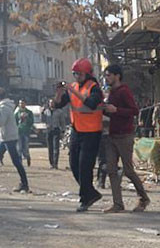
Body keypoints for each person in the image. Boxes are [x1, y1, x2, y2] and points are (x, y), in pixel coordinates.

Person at [55, 58, 104, 212]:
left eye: (80, 74)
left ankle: (85, 198)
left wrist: (73, 91)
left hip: (92, 132)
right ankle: (91, 193)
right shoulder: (74, 87)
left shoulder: (94, 88)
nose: (77, 77)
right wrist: (59, 93)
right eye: (75, 74)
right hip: (77, 130)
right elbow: (58, 104)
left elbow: (91, 103)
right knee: (74, 164)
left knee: (85, 167)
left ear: (87, 74)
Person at [101, 64, 151, 213]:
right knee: (111, 170)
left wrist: (116, 110)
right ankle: (118, 203)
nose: (106, 78)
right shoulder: (111, 92)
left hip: (124, 135)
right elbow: (111, 113)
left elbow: (134, 111)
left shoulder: (124, 91)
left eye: (109, 75)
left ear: (117, 76)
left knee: (128, 170)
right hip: (112, 134)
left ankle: (143, 198)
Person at [43, 96, 69, 169]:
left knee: (56, 147)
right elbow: (43, 119)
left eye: (52, 102)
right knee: (50, 148)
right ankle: (51, 163)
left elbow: (62, 122)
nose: (51, 104)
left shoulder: (59, 112)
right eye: (50, 103)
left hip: (56, 130)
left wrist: (63, 130)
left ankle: (55, 164)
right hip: (49, 130)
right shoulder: (46, 111)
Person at [15, 100, 34, 167]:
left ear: (25, 104)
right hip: (19, 132)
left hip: (26, 132)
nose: (21, 104)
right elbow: (14, 122)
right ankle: (20, 162)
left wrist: (27, 117)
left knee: (26, 147)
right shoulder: (17, 112)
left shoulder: (29, 112)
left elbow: (31, 122)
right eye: (20, 103)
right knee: (19, 148)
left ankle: (28, 157)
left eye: (22, 103)